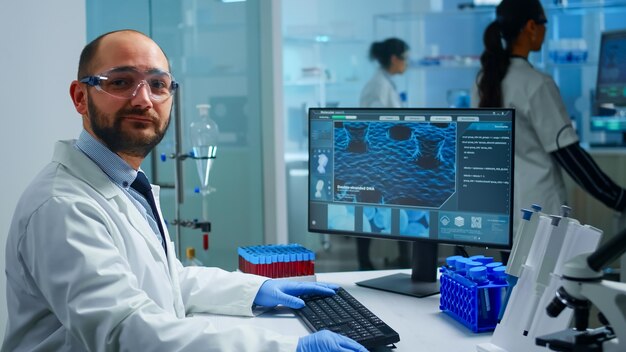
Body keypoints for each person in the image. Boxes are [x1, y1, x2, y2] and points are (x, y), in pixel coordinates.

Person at [2, 30, 367, 352]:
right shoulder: (62, 207)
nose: (143, 99)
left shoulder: (124, 183)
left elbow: (166, 279)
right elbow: (125, 331)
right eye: (120, 82)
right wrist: (287, 349)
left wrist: (255, 291)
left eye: (158, 85)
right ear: (80, 97)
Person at [472, 0, 626, 260]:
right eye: (544, 23)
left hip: (502, 219)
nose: (545, 29)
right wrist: (619, 199)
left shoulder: (483, 82)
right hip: (540, 217)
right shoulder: (536, 84)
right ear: (531, 27)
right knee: (544, 294)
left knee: (515, 294)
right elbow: (571, 158)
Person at [357, 38, 411, 270]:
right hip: (377, 160)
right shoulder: (377, 86)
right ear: (394, 59)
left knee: (393, 211)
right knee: (371, 212)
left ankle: (403, 261)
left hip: (385, 159)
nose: (407, 64)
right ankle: (365, 264)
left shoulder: (384, 83)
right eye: (405, 58)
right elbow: (376, 124)